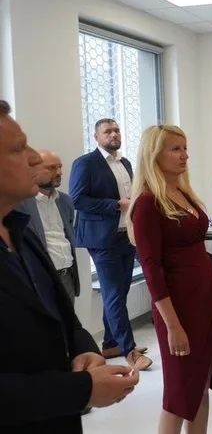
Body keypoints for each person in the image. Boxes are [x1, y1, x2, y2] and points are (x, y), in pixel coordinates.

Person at [0, 100, 139, 434]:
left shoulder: (20, 231)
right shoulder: (86, 167)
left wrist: (84, 349)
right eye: (18, 149)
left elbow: (62, 320)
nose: (35, 159)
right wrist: (82, 389)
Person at [129, 125, 212, 434]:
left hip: (204, 301)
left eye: (185, 148)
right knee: (180, 394)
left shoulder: (183, 193)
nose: (184, 155)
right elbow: (151, 269)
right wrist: (173, 326)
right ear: (154, 154)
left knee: (201, 385)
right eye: (175, 149)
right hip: (179, 308)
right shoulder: (147, 203)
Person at [69, 118, 151, 370]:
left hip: (127, 235)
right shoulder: (85, 163)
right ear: (96, 137)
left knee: (119, 292)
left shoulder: (124, 163)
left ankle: (111, 344)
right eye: (107, 131)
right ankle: (129, 351)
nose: (114, 134)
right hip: (102, 239)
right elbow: (77, 199)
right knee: (114, 294)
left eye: (116, 130)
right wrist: (115, 204)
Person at [16, 149, 80, 303]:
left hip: (66, 275)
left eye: (60, 167)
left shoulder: (65, 201)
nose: (59, 172)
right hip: (37, 279)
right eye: (51, 168)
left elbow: (68, 235)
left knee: (68, 318)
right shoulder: (17, 203)